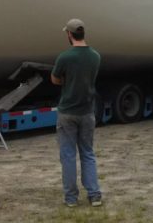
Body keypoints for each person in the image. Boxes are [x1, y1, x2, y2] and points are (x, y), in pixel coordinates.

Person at [51, 18, 103, 207]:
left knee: (68, 155)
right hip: (87, 110)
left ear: (69, 35)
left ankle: (71, 198)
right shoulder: (95, 56)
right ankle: (94, 194)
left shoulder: (65, 57)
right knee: (88, 153)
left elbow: (55, 80)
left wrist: (67, 79)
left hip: (67, 111)